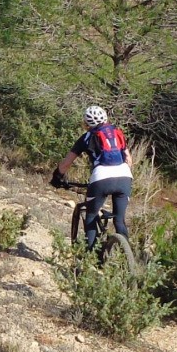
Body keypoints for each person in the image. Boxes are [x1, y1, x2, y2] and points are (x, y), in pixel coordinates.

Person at [51, 105, 132, 252]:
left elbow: (66, 164)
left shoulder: (87, 137)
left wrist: (57, 177)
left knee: (91, 215)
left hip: (101, 178)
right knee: (119, 220)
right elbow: (129, 159)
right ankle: (126, 257)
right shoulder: (117, 132)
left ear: (86, 123)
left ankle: (92, 257)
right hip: (125, 176)